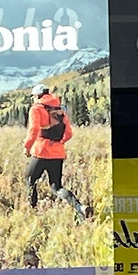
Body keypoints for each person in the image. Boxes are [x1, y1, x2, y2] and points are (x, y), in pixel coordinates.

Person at [24, 84, 86, 214]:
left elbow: (34, 130)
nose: (33, 99)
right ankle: (80, 207)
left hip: (41, 152)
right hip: (58, 153)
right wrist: (58, 143)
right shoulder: (59, 110)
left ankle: (33, 211)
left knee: (30, 180)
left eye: (33, 96)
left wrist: (27, 147)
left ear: (38, 96)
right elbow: (68, 133)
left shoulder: (36, 109)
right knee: (57, 187)